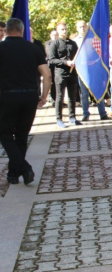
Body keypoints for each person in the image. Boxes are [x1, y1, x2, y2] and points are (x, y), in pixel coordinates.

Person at [0, 18, 51, 185]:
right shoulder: (33, 48)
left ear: (6, 31)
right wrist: (44, 96)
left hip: (6, 96)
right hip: (29, 96)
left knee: (5, 133)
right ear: (22, 31)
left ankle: (24, 168)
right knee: (21, 135)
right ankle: (14, 174)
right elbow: (47, 74)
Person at [73, 20, 109, 121]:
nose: (83, 28)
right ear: (77, 28)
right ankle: (85, 114)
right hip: (82, 70)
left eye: (84, 26)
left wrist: (96, 62)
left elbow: (100, 53)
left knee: (98, 90)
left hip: (94, 69)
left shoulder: (93, 39)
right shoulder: (75, 41)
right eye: (80, 27)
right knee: (84, 94)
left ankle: (102, 113)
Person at [48, 22, 81, 128]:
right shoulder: (55, 44)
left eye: (66, 29)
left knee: (72, 96)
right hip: (60, 73)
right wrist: (65, 62)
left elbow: (78, 56)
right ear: (58, 30)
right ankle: (59, 119)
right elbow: (52, 60)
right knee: (60, 96)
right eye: (62, 29)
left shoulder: (72, 43)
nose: (65, 31)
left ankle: (72, 117)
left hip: (72, 73)